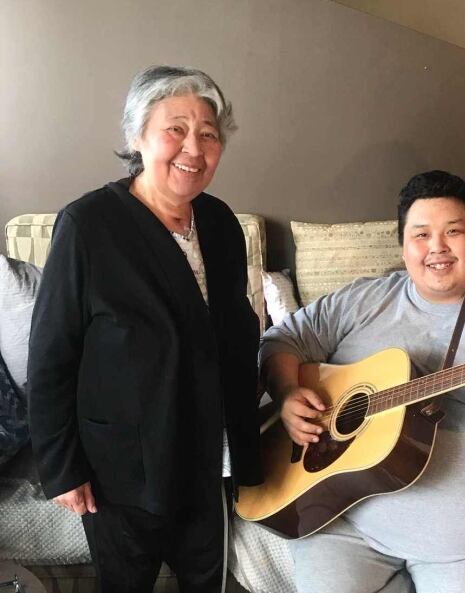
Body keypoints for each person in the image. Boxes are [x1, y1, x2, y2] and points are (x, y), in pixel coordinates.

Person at [260, 170, 465, 593]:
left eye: (454, 232)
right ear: (403, 246)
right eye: (421, 234)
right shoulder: (364, 299)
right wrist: (285, 394)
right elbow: (283, 339)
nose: (437, 248)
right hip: (347, 525)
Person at [28, 66, 264, 593]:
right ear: (137, 136)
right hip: (124, 469)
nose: (194, 147)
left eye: (208, 133)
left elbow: (236, 329)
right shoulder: (88, 225)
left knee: (207, 581)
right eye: (175, 129)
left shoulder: (222, 224)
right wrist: (62, 467)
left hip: (208, 458)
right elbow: (50, 353)